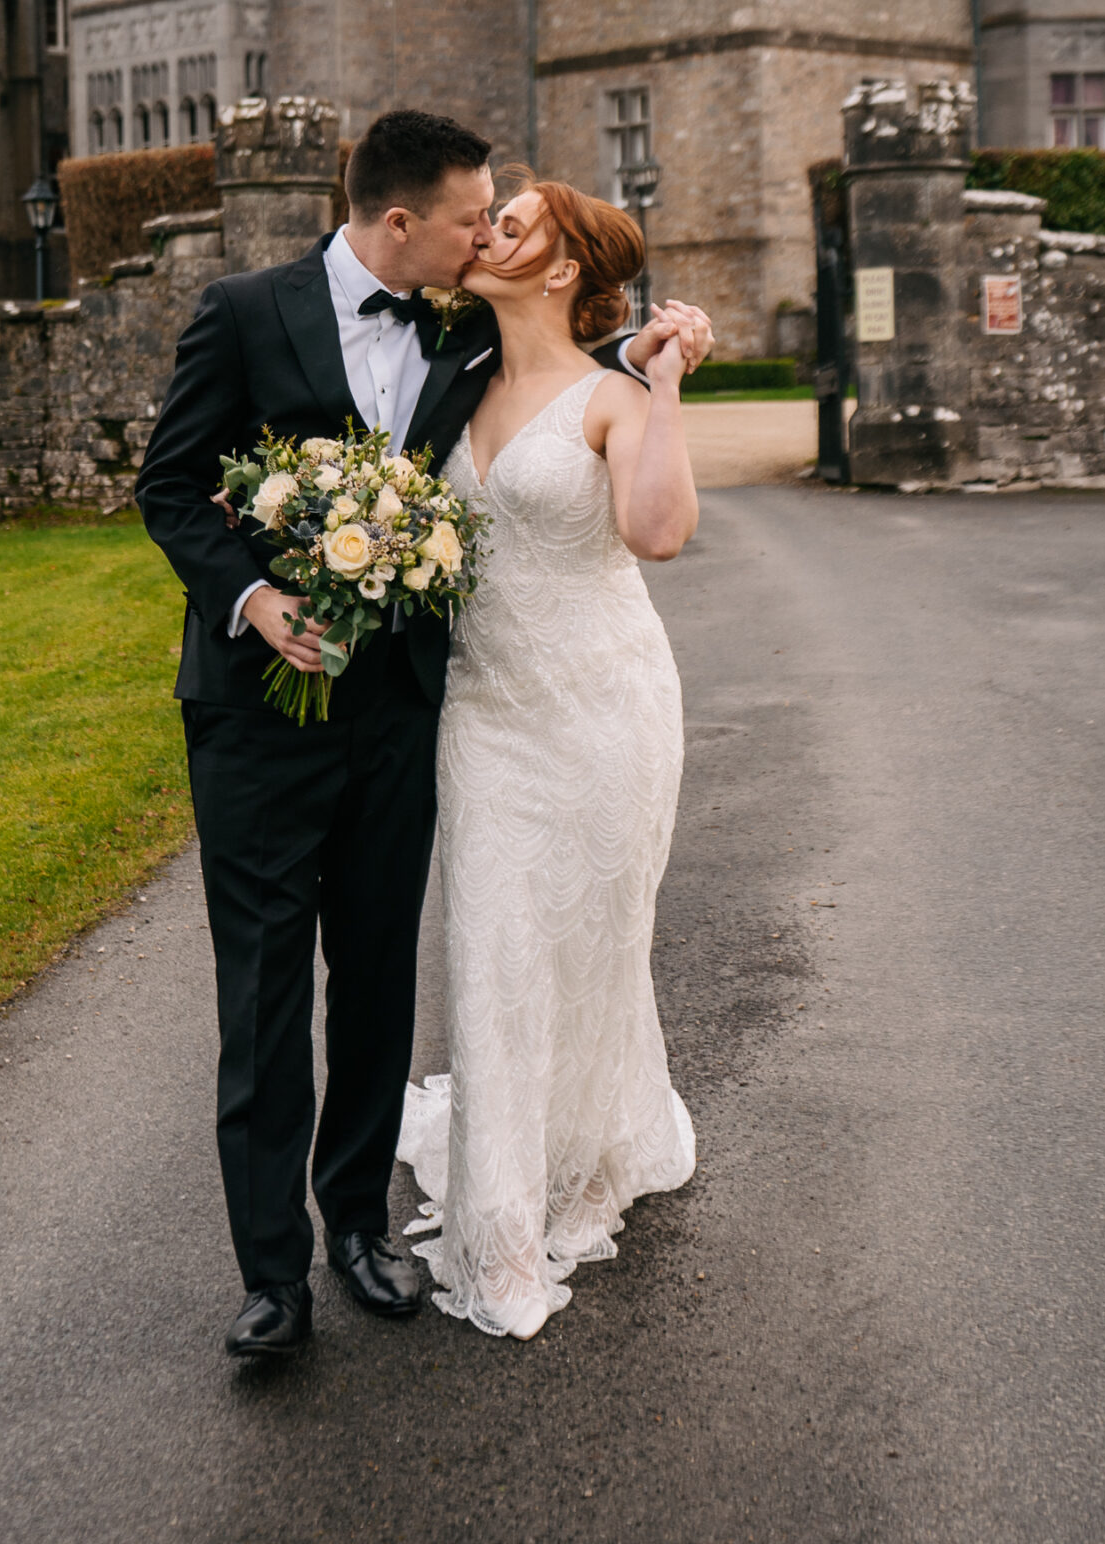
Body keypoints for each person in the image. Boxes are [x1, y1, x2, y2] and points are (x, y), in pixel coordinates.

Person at [134, 108, 503, 1359]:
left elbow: (582, 343)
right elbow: (172, 484)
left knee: (380, 976)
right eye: (470, 218)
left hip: (397, 717)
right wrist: (252, 594)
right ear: (401, 221)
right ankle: (271, 1274)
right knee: (264, 993)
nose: (485, 234)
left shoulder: (466, 328)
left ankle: (359, 1223)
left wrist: (667, 343)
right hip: (254, 720)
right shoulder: (244, 310)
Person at [397, 178, 714, 1339]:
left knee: (593, 946)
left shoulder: (613, 398)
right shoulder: (452, 372)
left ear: (564, 266)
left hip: (606, 712)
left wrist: (662, 376)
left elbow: (661, 532)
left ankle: (582, 1162)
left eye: (514, 223)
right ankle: (501, 1236)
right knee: (494, 949)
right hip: (483, 716)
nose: (487, 233)